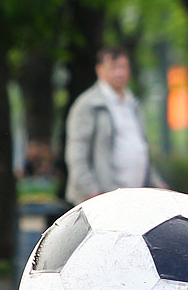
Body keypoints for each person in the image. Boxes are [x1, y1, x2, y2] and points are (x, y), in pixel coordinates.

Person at [64, 46, 166, 205]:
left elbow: (141, 150)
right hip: (101, 200)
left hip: (134, 197)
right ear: (99, 70)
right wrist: (91, 191)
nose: (119, 73)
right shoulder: (88, 105)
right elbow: (77, 155)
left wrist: (157, 185)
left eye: (123, 67)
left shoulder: (133, 104)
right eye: (113, 68)